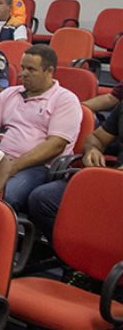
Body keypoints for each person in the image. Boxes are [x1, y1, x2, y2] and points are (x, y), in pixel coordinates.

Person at [0, 44, 81, 211]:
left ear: (49, 71)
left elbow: (56, 145)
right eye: (23, 67)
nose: (23, 73)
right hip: (0, 158)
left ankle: (2, 234)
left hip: (36, 167)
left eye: (31, 69)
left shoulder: (65, 100)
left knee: (7, 197)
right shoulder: (10, 93)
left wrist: (14, 165)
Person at [28, 100, 123, 240]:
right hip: (113, 181)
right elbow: (97, 138)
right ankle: (80, 253)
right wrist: (92, 150)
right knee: (42, 198)